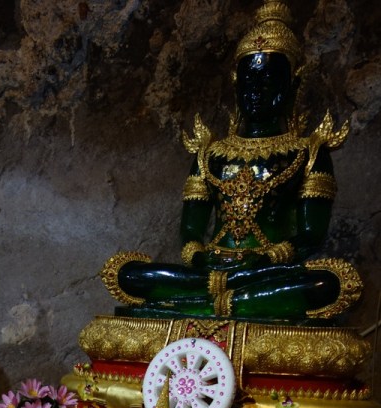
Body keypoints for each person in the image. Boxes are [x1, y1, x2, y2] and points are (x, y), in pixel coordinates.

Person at [102, 1, 360, 323]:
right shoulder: (210, 153)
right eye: (249, 82)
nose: (256, 91)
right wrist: (200, 258)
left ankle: (196, 304)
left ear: (292, 85)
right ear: (236, 84)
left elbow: (310, 236)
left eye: (268, 82)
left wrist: (261, 262)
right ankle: (228, 299)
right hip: (209, 268)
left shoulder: (309, 152)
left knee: (330, 284)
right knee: (126, 273)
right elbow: (190, 231)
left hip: (266, 272)